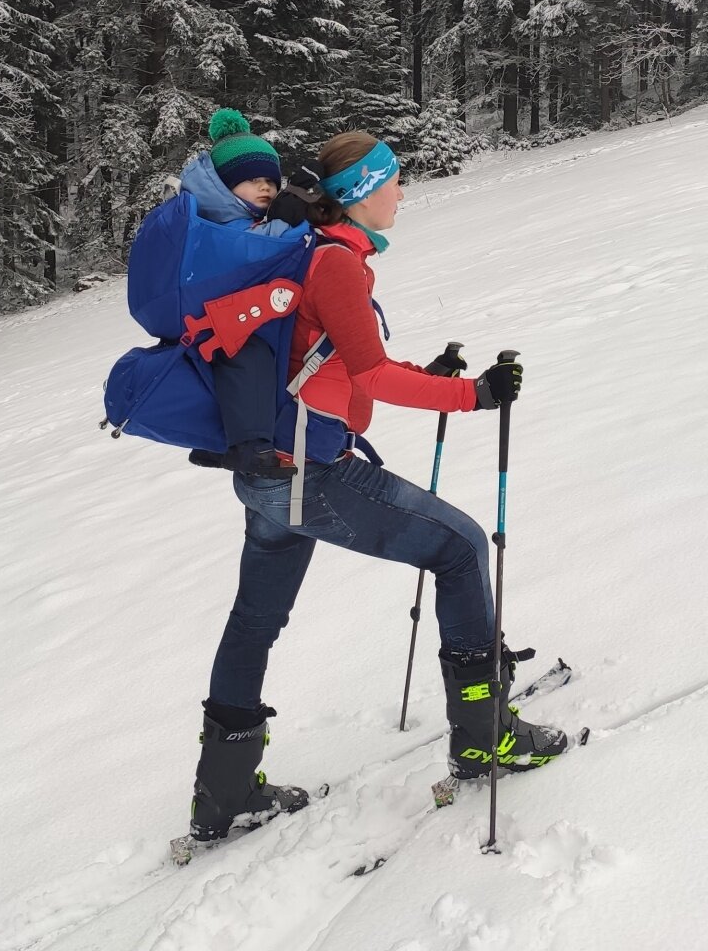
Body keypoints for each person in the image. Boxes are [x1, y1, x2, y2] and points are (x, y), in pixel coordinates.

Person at [182, 130, 568, 849]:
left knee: (253, 622)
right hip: (313, 476)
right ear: (360, 193)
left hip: (271, 473)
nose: (402, 193)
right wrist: (473, 395)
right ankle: (485, 736)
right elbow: (372, 379)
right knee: (460, 547)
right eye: (392, 181)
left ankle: (222, 794)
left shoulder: (326, 257)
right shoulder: (335, 263)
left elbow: (339, 369)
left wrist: (432, 374)